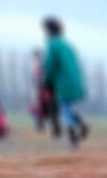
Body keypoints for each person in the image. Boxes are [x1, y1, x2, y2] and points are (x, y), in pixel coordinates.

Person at [42, 17, 88, 147]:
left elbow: (50, 65)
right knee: (67, 107)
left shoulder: (53, 45)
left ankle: (74, 137)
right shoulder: (67, 45)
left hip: (64, 82)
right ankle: (82, 126)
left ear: (49, 30)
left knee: (65, 108)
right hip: (75, 81)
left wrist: (46, 81)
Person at [30, 49, 61, 138]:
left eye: (36, 57)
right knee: (38, 108)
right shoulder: (35, 66)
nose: (35, 60)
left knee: (51, 109)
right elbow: (35, 79)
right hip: (40, 90)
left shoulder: (44, 66)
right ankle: (41, 125)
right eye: (34, 58)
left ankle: (55, 129)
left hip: (46, 90)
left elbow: (46, 78)